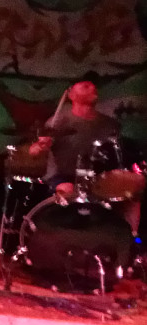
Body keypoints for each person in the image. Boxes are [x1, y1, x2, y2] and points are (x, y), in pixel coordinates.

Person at [28, 78, 143, 238]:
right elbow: (34, 151)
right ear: (71, 95)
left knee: (131, 196)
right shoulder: (58, 121)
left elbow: (115, 157)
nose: (92, 88)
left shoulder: (110, 125)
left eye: (93, 85)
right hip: (63, 175)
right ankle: (65, 239)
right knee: (68, 191)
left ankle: (128, 242)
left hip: (96, 178)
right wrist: (39, 147)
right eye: (85, 86)